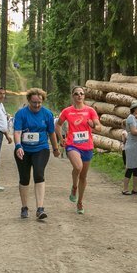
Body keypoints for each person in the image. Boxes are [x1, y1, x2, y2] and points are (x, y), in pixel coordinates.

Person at [13, 88, 60, 220]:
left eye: (39, 102)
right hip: (24, 149)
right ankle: (24, 207)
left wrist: (55, 148)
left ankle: (40, 208)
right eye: (34, 102)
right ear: (29, 101)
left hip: (41, 148)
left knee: (39, 174)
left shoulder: (47, 114)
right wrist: (18, 146)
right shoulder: (21, 114)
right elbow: (17, 132)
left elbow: (51, 132)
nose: (37, 105)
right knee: (24, 178)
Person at [57, 87, 102, 215]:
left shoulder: (90, 111)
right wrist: (61, 138)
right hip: (72, 145)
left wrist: (93, 125)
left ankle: (80, 202)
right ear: (73, 96)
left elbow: (99, 127)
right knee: (78, 167)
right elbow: (58, 125)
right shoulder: (67, 111)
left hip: (87, 146)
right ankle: (74, 186)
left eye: (81, 93)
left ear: (84, 96)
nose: (79, 96)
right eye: (76, 94)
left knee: (83, 176)